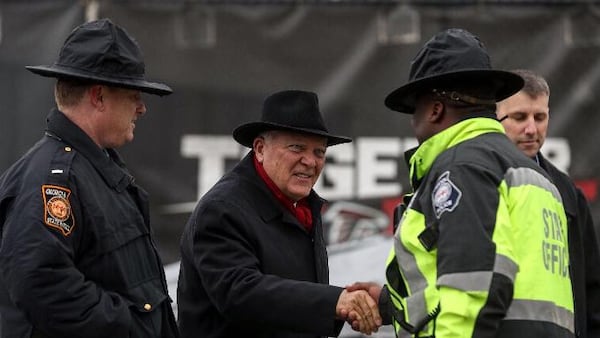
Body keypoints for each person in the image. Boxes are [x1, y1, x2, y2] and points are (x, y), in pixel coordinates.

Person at [348, 28, 576, 337]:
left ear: (435, 109)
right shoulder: (535, 176)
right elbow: (499, 283)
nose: (413, 121)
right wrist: (388, 303)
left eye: (415, 109)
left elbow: (474, 289)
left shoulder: (465, 167)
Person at [0, 19, 178, 338]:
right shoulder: (54, 178)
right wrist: (132, 326)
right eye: (133, 94)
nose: (142, 108)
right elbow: (40, 283)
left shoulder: (91, 169)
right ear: (98, 96)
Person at [176, 89, 382, 338]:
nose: (310, 161)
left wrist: (365, 304)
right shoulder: (222, 208)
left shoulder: (301, 204)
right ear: (260, 149)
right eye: (297, 148)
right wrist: (334, 302)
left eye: (319, 152)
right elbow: (240, 293)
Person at [497, 69, 600, 338]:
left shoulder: (568, 192)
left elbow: (591, 289)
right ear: (494, 118)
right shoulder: (480, 179)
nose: (532, 129)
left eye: (540, 117)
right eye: (519, 117)